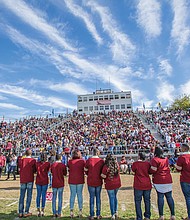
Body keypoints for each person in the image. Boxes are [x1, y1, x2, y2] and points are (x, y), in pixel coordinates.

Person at [150, 147, 175, 220]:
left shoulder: (154, 159)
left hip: (159, 180)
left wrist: (149, 171)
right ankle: (173, 215)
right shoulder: (166, 159)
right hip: (168, 179)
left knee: (160, 197)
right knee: (169, 197)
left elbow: (153, 170)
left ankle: (161, 216)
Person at [84, 148, 104, 220]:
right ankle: (98, 214)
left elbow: (85, 170)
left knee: (92, 198)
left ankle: (92, 215)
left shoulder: (89, 160)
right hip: (98, 181)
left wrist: (88, 174)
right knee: (98, 197)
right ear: (98, 153)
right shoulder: (101, 161)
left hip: (91, 181)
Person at [132, 152, 152, 220]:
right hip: (147, 184)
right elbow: (150, 171)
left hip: (138, 184)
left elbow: (133, 170)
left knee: (138, 201)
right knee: (147, 201)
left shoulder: (135, 164)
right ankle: (147, 216)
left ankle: (139, 217)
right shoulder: (147, 164)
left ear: (139, 157)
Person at [101, 154, 121, 220]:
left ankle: (113, 214)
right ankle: (116, 212)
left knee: (111, 198)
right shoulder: (116, 164)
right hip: (117, 183)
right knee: (115, 197)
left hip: (110, 184)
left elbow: (103, 176)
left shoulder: (106, 166)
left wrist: (100, 175)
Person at [18, 149, 36, 218]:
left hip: (23, 179)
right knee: (29, 195)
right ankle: (26, 211)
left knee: (22, 195)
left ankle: (20, 212)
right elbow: (34, 170)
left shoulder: (22, 160)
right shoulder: (33, 160)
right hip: (29, 179)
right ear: (31, 154)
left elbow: (19, 166)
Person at [68, 150, 86, 218]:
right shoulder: (82, 161)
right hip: (80, 180)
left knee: (72, 195)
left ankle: (71, 211)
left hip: (72, 180)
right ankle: (80, 211)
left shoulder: (70, 161)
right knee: (79, 195)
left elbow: (69, 168)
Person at [175, 143, 190, 220]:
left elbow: (179, 169)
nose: (179, 149)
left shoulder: (182, 157)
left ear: (184, 149)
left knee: (188, 198)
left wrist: (175, 165)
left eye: (180, 148)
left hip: (185, 179)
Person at [51, 154, 67, 218]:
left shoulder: (53, 165)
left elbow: (51, 172)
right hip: (60, 183)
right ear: (60, 158)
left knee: (54, 198)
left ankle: (54, 212)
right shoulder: (63, 165)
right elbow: (65, 173)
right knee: (60, 198)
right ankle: (59, 213)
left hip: (54, 183)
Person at [35, 153, 50, 217]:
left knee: (38, 195)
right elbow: (48, 171)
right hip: (44, 181)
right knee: (43, 195)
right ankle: (42, 210)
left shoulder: (37, 163)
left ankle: (38, 210)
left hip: (38, 180)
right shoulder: (47, 164)